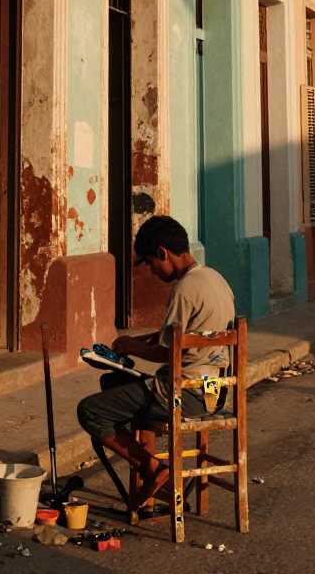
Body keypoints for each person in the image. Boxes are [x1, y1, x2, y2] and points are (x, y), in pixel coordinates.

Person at [77, 215, 235, 509]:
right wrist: (149, 337)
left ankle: (154, 470)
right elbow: (188, 335)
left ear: (163, 252)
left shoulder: (183, 290)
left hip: (184, 394)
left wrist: (131, 347)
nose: (150, 270)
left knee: (90, 410)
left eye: (150, 262)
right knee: (115, 383)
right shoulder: (215, 279)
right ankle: (153, 485)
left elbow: (168, 353)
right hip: (214, 390)